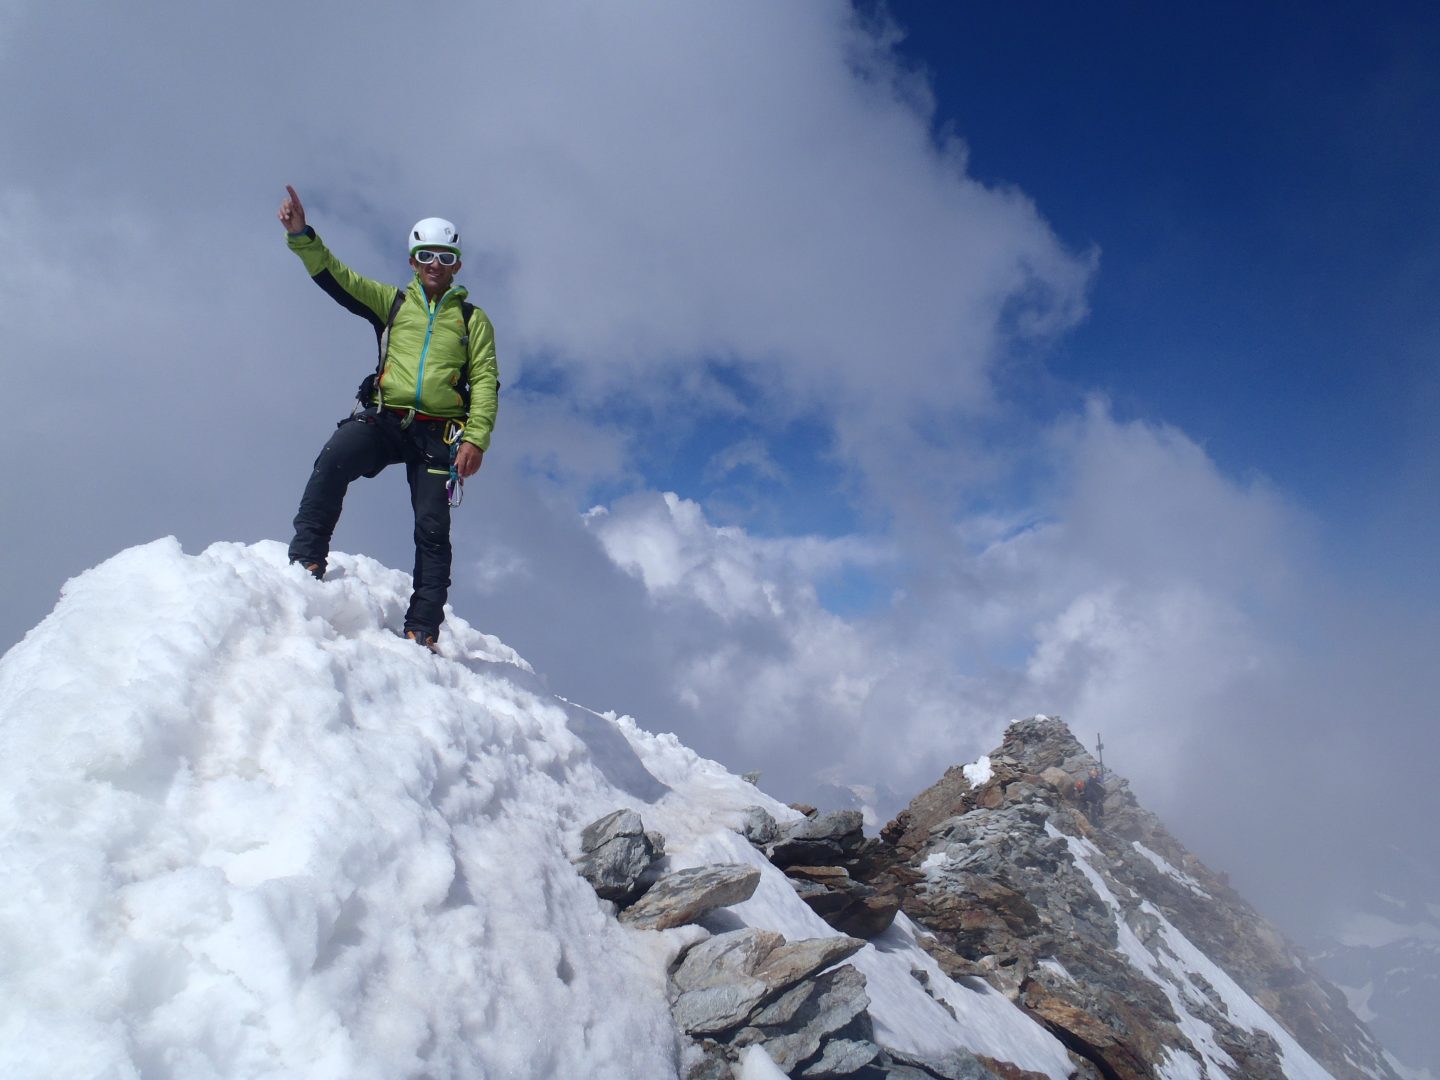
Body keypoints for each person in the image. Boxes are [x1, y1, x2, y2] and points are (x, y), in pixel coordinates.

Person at [278, 185, 499, 652]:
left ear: (457, 263)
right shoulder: (392, 304)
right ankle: (305, 563)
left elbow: (484, 381)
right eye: (425, 256)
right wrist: (303, 236)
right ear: (413, 262)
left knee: (433, 530)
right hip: (386, 419)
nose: (434, 264)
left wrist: (475, 439)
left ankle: (422, 629)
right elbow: (337, 277)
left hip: (440, 435)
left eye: (443, 256)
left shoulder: (473, 321)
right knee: (333, 460)